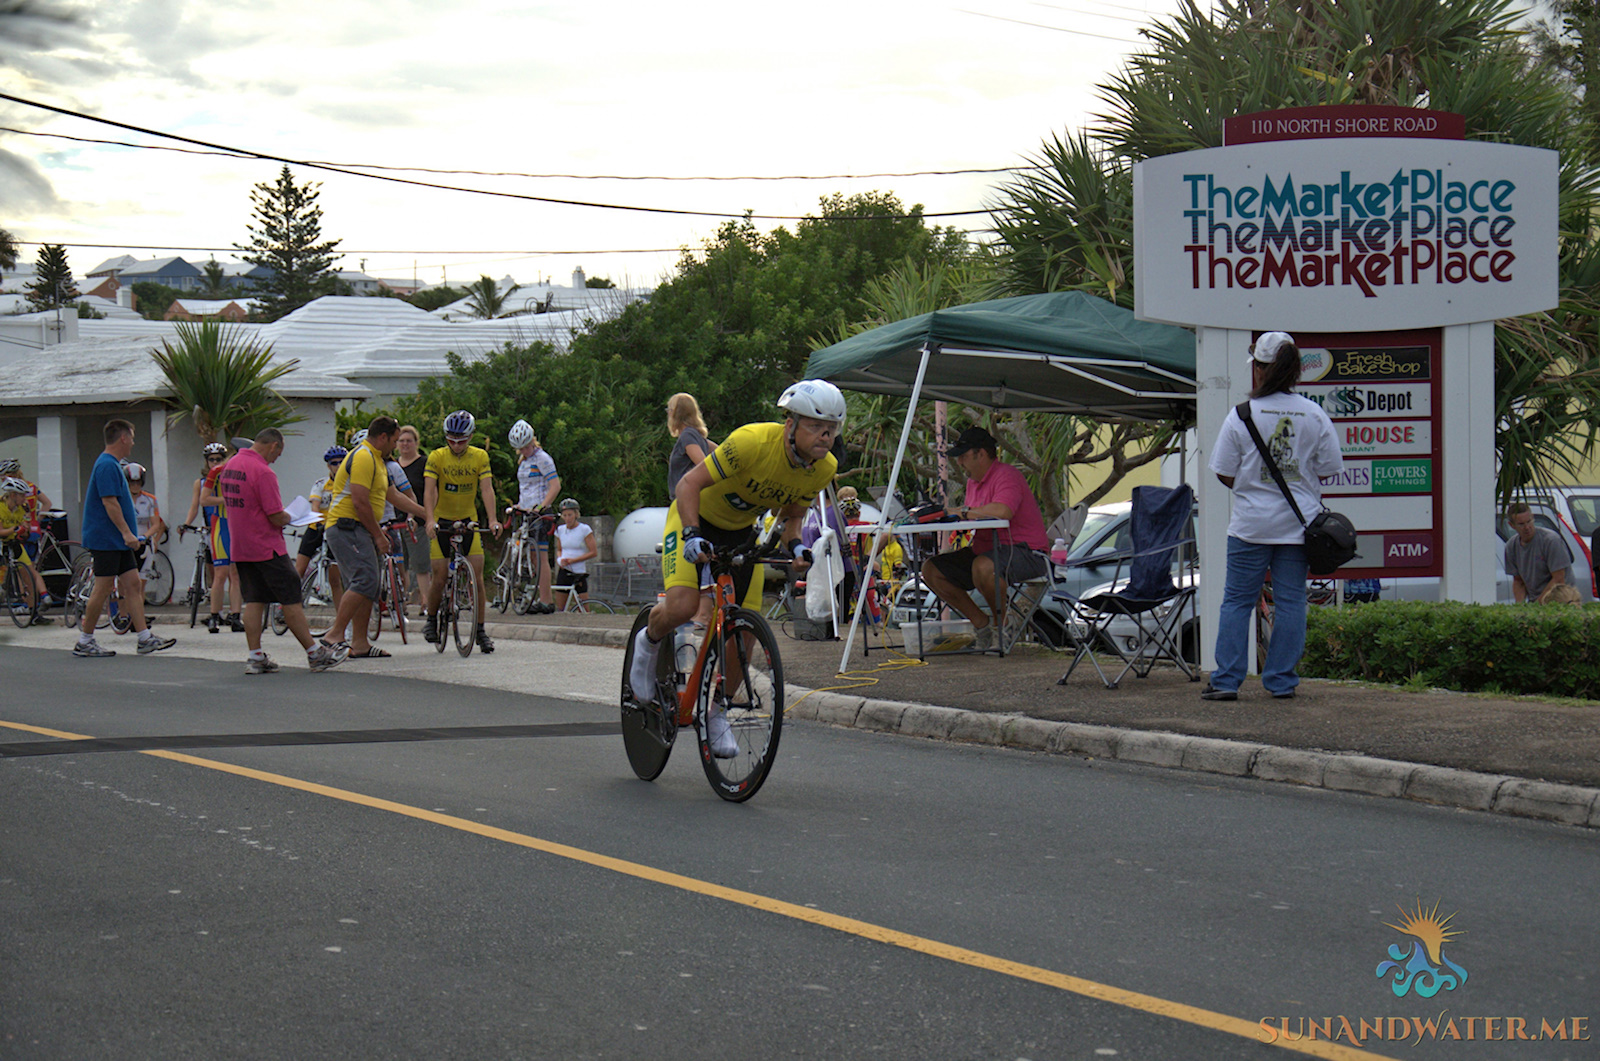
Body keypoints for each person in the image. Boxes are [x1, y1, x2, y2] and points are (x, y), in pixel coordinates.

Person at [628, 379, 840, 758]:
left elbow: (791, 517)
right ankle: (649, 642)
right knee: (683, 607)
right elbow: (688, 485)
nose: (824, 436)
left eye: (831, 428)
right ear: (790, 424)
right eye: (815, 426)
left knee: (745, 631)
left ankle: (717, 711)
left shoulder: (823, 468)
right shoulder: (751, 442)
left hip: (741, 533)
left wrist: (796, 545)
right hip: (695, 518)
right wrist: (692, 535)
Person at [1204, 331, 1344, 701]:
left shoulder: (1242, 415)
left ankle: (1226, 681)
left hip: (1250, 526)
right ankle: (1281, 681)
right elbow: (1329, 468)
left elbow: (1223, 472)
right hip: (1298, 528)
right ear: (1295, 370)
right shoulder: (1314, 414)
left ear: (1259, 369)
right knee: (1292, 602)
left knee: (1237, 602)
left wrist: (1252, 486)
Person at [218, 430, 346, 673]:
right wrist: (293, 516)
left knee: (254, 599)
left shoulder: (231, 465)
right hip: (266, 546)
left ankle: (255, 656)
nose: (277, 458)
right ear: (273, 446)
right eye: (279, 453)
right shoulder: (263, 472)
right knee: (290, 597)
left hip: (241, 545)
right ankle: (314, 653)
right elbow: (275, 515)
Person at [919, 425, 1050, 653]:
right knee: (931, 569)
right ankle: (981, 624)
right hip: (985, 550)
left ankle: (1002, 626)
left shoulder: (1007, 475)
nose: (959, 462)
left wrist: (962, 512)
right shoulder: (973, 482)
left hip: (1026, 552)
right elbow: (973, 516)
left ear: (981, 454)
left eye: (963, 456)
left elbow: (1002, 511)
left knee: (983, 565)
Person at [71, 419, 176, 657]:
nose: (133, 443)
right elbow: (110, 503)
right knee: (103, 587)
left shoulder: (113, 465)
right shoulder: (107, 466)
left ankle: (144, 638)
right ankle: (85, 641)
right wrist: (127, 533)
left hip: (117, 541)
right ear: (123, 438)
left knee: (132, 584)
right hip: (107, 539)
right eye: (132, 438)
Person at [320, 429, 426, 652]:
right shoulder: (363, 457)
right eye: (395, 441)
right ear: (382, 438)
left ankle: (360, 643)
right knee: (364, 580)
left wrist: (427, 515)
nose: (396, 446)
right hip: (349, 527)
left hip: (363, 528)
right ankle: (335, 634)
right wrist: (378, 535)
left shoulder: (379, 462)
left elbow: (394, 495)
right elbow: (360, 502)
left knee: (371, 584)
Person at [423, 410, 501, 652]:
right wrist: (429, 519)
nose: (456, 446)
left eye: (462, 441)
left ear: (471, 437)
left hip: (468, 519)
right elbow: (429, 490)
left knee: (477, 576)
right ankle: (431, 619)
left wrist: (493, 519)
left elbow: (486, 489)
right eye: (452, 441)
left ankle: (480, 631)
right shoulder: (437, 456)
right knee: (439, 576)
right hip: (442, 519)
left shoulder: (480, 456)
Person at [181, 442, 244, 634]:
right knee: (220, 573)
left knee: (235, 573)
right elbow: (199, 503)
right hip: (218, 525)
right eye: (211, 459)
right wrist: (186, 523)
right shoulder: (206, 479)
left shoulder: (234, 474)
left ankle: (235, 616)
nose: (215, 462)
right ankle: (215, 615)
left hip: (235, 525)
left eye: (219, 459)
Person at [667, 394, 717, 629]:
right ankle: (704, 609)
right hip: (702, 503)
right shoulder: (698, 436)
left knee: (695, 554)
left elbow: (703, 464)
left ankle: (702, 612)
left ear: (676, 413)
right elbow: (722, 455)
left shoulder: (687, 436)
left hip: (688, 504)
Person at [506, 419, 560, 613]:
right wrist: (519, 505)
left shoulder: (542, 458)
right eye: (520, 448)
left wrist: (541, 507)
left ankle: (546, 600)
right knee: (532, 557)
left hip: (539, 513)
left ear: (532, 441)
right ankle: (539, 597)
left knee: (540, 556)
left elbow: (555, 486)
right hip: (526, 513)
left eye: (527, 446)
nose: (524, 450)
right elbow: (527, 488)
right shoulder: (524, 461)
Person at [296, 446, 346, 607]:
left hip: (335, 529)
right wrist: (317, 521)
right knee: (299, 570)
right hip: (316, 528)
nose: (338, 466)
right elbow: (315, 506)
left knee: (335, 580)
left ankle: (341, 617)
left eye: (342, 462)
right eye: (334, 463)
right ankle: (285, 607)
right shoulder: (321, 484)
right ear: (328, 466)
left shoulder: (348, 484)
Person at [1, 476, 50, 616]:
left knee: (28, 574)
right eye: (22, 495)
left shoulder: (22, 508)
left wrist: (25, 529)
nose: (25, 498)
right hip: (1, 542)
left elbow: (25, 529)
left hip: (14, 542)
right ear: (13, 495)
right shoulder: (1, 507)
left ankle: (33, 612)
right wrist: (15, 529)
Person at [1505, 502, 1572, 603]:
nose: (1527, 527)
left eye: (1529, 521)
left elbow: (1559, 578)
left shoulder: (1550, 540)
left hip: (1561, 599)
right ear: (1512, 525)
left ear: (1532, 518)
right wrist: (1519, 605)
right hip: (1535, 601)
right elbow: (1518, 581)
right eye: (1521, 524)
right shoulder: (1511, 546)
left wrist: (1538, 604)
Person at [395, 424, 432, 606]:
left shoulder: (424, 464)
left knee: (420, 563)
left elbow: (429, 491)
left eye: (409, 441)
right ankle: (401, 601)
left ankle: (426, 601)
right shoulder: (392, 465)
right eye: (401, 441)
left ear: (416, 443)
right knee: (399, 564)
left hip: (417, 521)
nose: (405, 444)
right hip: (395, 521)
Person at [125, 463, 166, 601]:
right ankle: (124, 612)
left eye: (138, 482)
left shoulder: (150, 500)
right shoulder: (121, 499)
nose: (135, 486)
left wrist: (145, 536)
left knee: (140, 585)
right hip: (126, 544)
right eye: (132, 482)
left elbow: (156, 524)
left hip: (144, 545)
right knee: (124, 584)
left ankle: (139, 612)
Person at [551, 498, 599, 611]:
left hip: (578, 571)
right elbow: (559, 549)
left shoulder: (584, 529)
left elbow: (593, 552)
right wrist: (560, 559)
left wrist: (574, 560)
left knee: (583, 607)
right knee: (560, 608)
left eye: (570, 515)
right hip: (564, 570)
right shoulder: (560, 530)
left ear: (576, 514)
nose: (567, 518)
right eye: (565, 515)